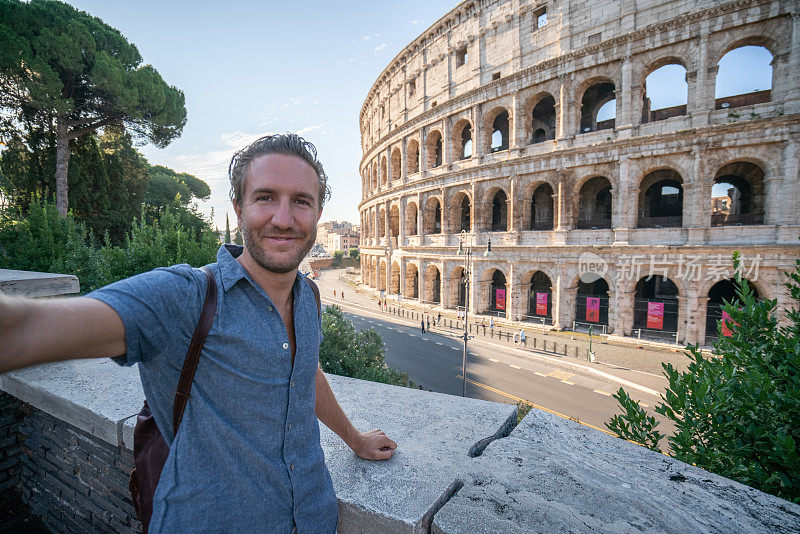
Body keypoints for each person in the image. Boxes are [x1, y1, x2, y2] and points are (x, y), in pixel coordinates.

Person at [0, 134, 396, 532]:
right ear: (239, 208)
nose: (283, 218)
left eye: (301, 201)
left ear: (318, 212)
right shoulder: (187, 296)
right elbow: (28, 328)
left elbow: (304, 373)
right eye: (264, 197)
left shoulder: (308, 295)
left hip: (313, 518)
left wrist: (354, 439)